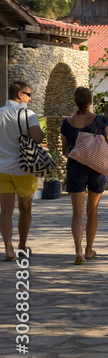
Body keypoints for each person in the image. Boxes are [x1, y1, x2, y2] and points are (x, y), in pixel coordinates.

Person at [60, 87, 108, 264]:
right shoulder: (101, 120)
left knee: (77, 214)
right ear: (90, 102)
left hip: (76, 169)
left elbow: (65, 150)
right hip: (97, 169)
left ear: (75, 102)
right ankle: (89, 250)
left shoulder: (67, 124)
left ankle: (78, 252)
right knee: (93, 212)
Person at [0, 81, 44, 261]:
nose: (30, 99)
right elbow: (38, 138)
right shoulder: (28, 114)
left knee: (5, 211)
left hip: (1, 168)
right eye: (28, 95)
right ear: (19, 94)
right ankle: (22, 246)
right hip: (23, 168)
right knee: (25, 209)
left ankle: (8, 248)